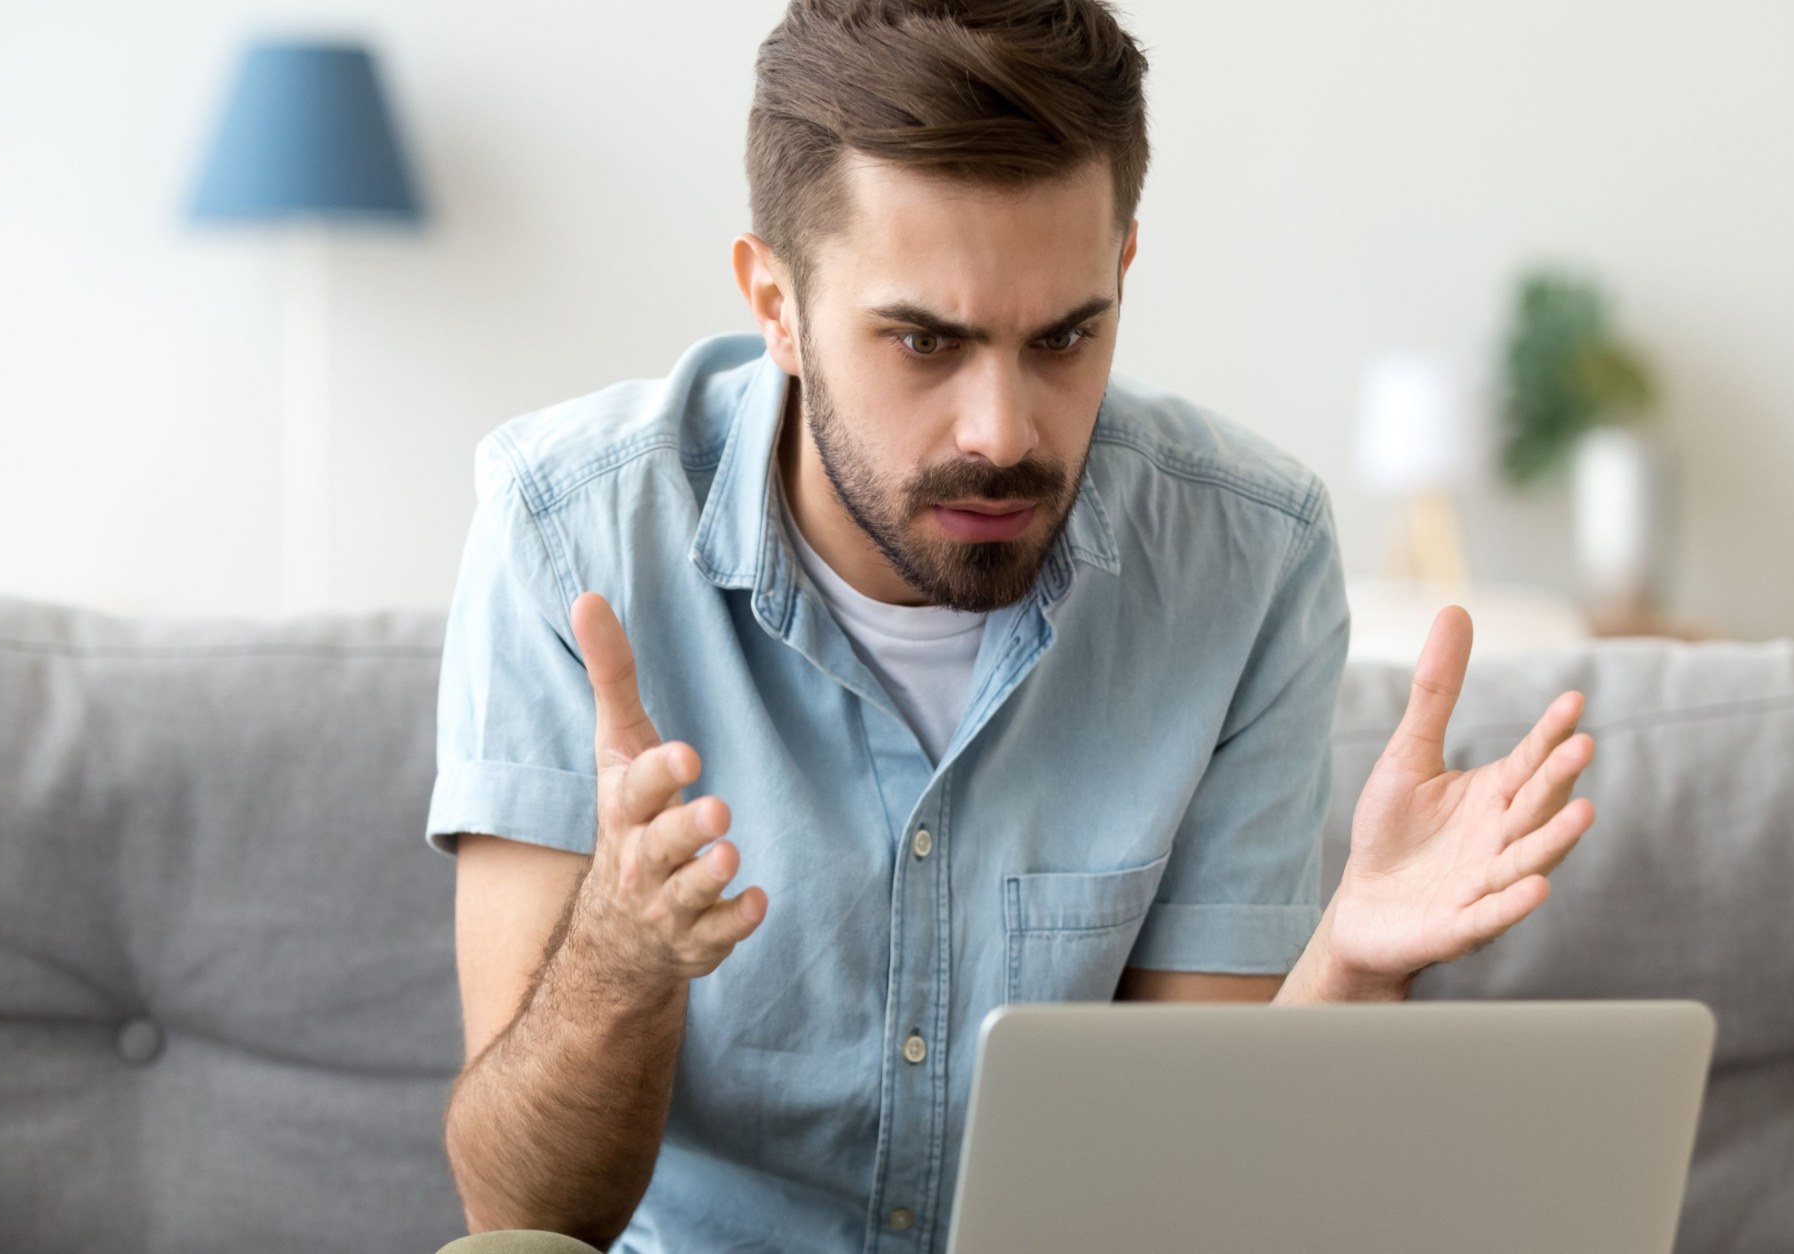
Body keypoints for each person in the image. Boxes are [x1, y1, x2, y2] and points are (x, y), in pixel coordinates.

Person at [428, 3, 1597, 1251]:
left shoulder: (1247, 560)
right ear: (776, 301)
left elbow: (1190, 1199)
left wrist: (1352, 964)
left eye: (1065, 338)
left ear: (1123, 274)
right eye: (924, 341)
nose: (1003, 430)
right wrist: (620, 951)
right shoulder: (570, 535)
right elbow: (522, 1217)